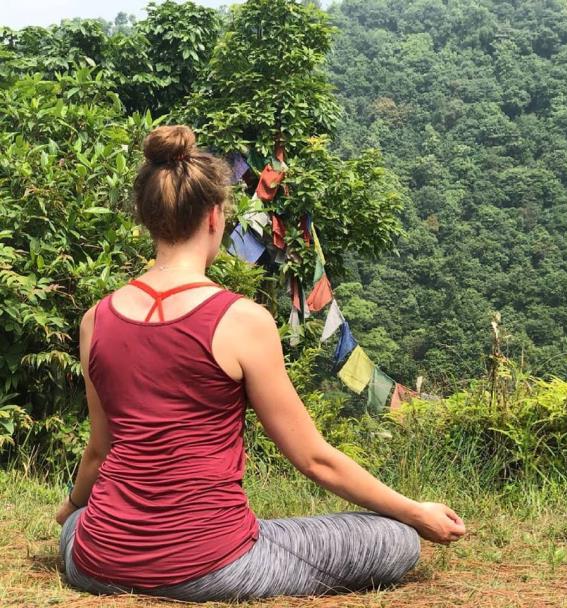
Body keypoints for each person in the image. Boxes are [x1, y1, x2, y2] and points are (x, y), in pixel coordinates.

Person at [55, 124, 466, 602]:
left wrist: (69, 510)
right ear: (215, 216)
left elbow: (99, 452)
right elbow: (313, 460)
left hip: (96, 561)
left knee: (81, 521)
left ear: (146, 217)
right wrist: (416, 513)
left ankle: (95, 531)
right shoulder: (241, 319)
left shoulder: (95, 320)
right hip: (213, 567)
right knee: (395, 540)